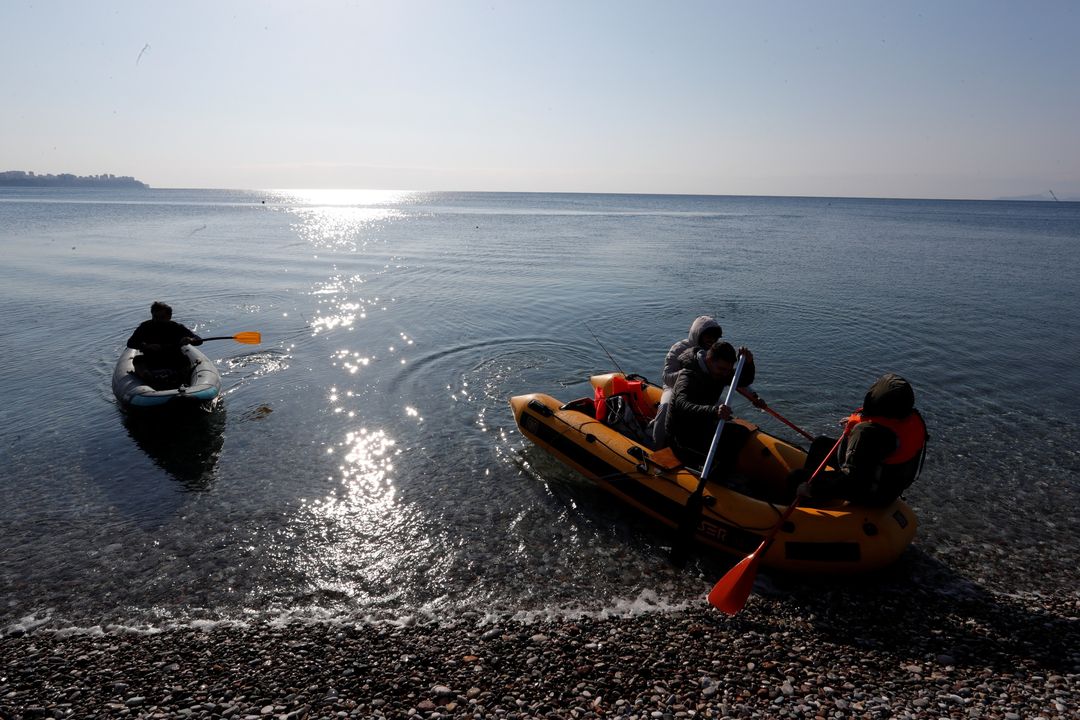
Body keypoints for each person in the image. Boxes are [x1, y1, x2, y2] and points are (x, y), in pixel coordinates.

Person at [794, 373, 928, 506]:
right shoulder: (910, 419)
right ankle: (814, 488)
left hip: (870, 492)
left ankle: (804, 504)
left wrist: (813, 489)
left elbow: (853, 480)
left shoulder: (867, 432)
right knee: (821, 444)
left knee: (797, 478)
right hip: (887, 483)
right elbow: (886, 428)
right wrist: (856, 421)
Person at [651, 315, 765, 447]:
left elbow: (731, 377)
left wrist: (754, 397)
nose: (711, 340)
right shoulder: (679, 349)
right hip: (676, 388)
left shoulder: (716, 352)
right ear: (698, 335)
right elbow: (666, 377)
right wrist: (689, 374)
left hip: (705, 387)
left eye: (715, 337)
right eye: (708, 336)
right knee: (666, 406)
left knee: (724, 412)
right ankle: (658, 443)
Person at [664, 340, 757, 480]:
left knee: (741, 433)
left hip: (702, 425)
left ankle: (723, 474)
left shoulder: (719, 372)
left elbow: (743, 381)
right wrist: (713, 411)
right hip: (682, 434)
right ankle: (717, 479)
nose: (725, 374)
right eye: (721, 369)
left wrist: (749, 363)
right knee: (722, 451)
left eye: (728, 370)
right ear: (709, 360)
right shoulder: (689, 375)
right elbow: (681, 405)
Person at [126, 301, 203, 387]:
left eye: (162, 317)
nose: (157, 320)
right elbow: (130, 343)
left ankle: (183, 380)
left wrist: (191, 339)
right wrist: (147, 346)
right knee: (138, 360)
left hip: (174, 359)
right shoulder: (145, 327)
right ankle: (147, 378)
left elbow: (199, 340)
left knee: (185, 361)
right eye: (155, 317)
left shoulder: (176, 327)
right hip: (151, 360)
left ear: (169, 317)